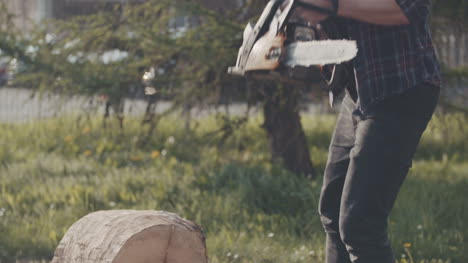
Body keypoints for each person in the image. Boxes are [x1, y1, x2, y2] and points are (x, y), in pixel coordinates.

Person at [282, 0, 442, 262]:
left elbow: (405, 9)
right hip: (359, 92)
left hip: (402, 89)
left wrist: (330, 6)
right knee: (332, 212)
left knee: (360, 226)